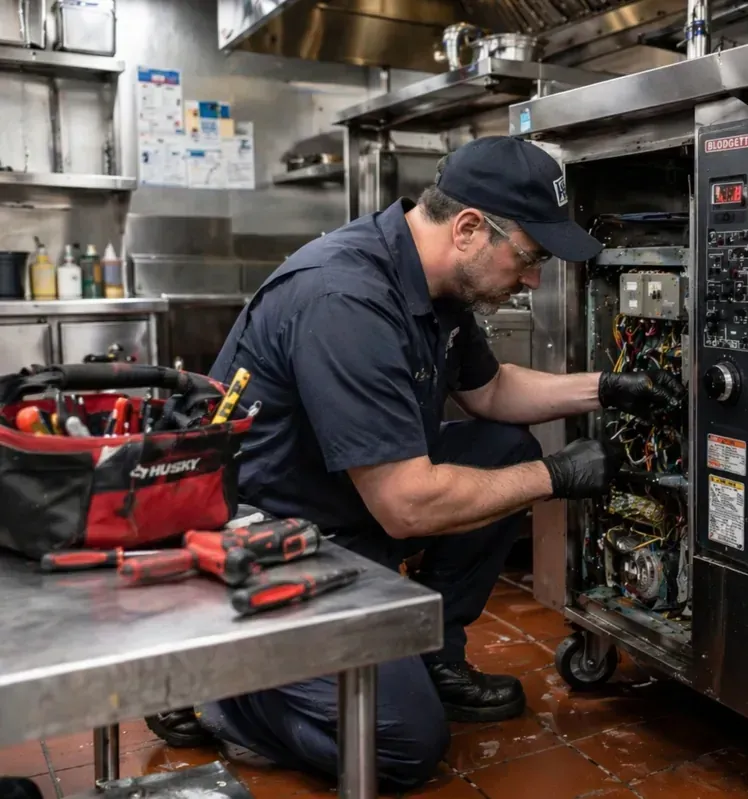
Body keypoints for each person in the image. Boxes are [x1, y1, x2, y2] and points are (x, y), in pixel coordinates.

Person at [145, 136, 684, 791]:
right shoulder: (345, 299)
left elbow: (491, 392)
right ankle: (218, 689)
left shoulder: (436, 285)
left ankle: (434, 655)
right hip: (269, 543)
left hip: (342, 507)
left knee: (503, 447)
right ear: (467, 229)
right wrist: (556, 476)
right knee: (403, 743)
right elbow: (406, 504)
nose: (534, 277)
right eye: (531, 255)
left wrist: (607, 385)